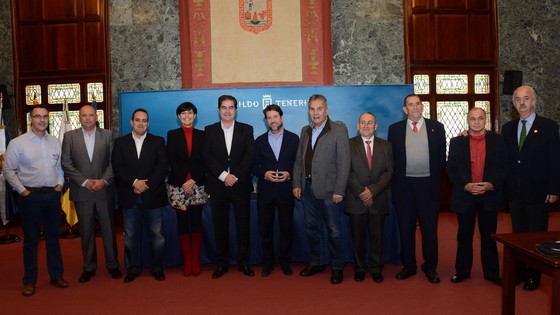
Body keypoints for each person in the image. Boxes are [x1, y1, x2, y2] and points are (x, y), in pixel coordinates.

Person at [3, 105, 69, 296]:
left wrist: (59, 184)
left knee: (53, 238)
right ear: (30, 118)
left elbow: (59, 167)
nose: (42, 120)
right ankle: (29, 281)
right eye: (38, 116)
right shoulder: (17, 143)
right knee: (31, 240)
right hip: (30, 197)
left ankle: (56, 276)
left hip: (52, 196)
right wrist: (22, 191)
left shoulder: (55, 142)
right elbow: (9, 170)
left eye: (45, 117)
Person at [501, 85, 560, 291]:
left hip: (539, 191)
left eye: (526, 98)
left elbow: (555, 160)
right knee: (518, 235)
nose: (522, 102)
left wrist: (554, 189)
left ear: (533, 101)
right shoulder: (507, 129)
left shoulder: (549, 127)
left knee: (535, 235)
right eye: (518, 99)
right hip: (515, 192)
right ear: (514, 104)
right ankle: (519, 272)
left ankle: (534, 276)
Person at [387, 93, 446, 284]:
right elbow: (392, 160)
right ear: (405, 110)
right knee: (406, 229)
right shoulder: (394, 129)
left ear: (422, 107)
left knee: (429, 230)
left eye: (418, 104)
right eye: (410, 105)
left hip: (428, 186)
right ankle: (409, 266)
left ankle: (430, 267)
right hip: (404, 186)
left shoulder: (437, 128)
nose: (414, 108)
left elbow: (440, 160)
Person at [292, 94, 350, 285]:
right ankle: (316, 262)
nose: (315, 113)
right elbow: (299, 160)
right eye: (312, 109)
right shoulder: (305, 131)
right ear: (308, 111)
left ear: (327, 110)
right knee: (311, 229)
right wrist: (297, 184)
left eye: (319, 109)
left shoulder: (339, 130)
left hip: (330, 191)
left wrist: (339, 190)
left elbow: (344, 163)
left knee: (334, 231)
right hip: (307, 189)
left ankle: (337, 266)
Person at [61, 104, 122, 283]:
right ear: (79, 118)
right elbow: (66, 163)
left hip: (104, 190)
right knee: (86, 231)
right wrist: (85, 181)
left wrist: (103, 180)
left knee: (109, 230)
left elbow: (114, 162)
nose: (87, 118)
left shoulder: (108, 135)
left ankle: (113, 265)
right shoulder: (69, 137)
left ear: (97, 117)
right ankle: (89, 267)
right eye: (83, 115)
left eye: (91, 115)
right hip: (82, 191)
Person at [447, 107, 506, 286]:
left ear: (485, 120)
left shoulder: (498, 141)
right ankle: (462, 271)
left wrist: (490, 184)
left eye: (480, 118)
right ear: (468, 121)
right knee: (464, 236)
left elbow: (504, 168)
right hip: (465, 195)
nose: (477, 122)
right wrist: (465, 185)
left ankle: (492, 273)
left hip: (489, 195)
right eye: (473, 119)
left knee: (489, 236)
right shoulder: (457, 142)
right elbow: (452, 169)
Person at [112, 108, 169, 282]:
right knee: (130, 237)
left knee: (157, 236)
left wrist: (146, 184)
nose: (141, 123)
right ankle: (133, 268)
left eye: (144, 120)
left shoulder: (158, 141)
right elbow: (118, 167)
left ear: (148, 124)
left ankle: (157, 268)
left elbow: (162, 167)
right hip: (130, 196)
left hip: (153, 196)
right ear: (131, 122)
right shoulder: (120, 142)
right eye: (137, 120)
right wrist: (134, 183)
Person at [203, 95, 255, 279]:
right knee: (220, 227)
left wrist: (235, 176)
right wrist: (225, 176)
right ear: (219, 110)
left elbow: (250, 156)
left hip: (240, 185)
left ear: (236, 110)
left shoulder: (246, 129)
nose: (227, 111)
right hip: (218, 186)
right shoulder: (209, 130)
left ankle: (244, 263)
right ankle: (222, 264)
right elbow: (207, 157)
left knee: (243, 226)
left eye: (231, 107)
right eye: (224, 107)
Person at [345, 112, 393, 283]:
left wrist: (371, 191)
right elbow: (346, 171)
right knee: (357, 238)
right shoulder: (348, 145)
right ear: (358, 126)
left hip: (377, 199)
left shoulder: (386, 146)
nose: (366, 126)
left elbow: (389, 172)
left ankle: (375, 267)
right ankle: (359, 268)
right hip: (355, 198)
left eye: (370, 122)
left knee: (377, 237)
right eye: (363, 123)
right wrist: (361, 192)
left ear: (376, 125)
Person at [252, 104, 299, 277]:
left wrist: (290, 174)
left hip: (287, 191)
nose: (272, 120)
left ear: (282, 118)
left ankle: (285, 262)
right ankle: (268, 262)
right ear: (266, 121)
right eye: (269, 118)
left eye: (275, 117)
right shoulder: (259, 141)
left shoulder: (294, 139)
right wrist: (264, 174)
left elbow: (299, 164)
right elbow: (253, 166)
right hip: (266, 192)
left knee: (286, 228)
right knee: (266, 229)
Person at [167, 102, 206, 277]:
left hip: (198, 185)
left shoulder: (203, 135)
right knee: (182, 224)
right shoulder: (172, 135)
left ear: (195, 115)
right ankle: (187, 261)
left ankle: (196, 260)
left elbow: (205, 161)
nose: (187, 116)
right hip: (178, 186)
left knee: (196, 222)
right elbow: (172, 161)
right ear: (178, 116)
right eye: (183, 113)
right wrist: (185, 182)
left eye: (190, 113)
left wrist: (193, 180)